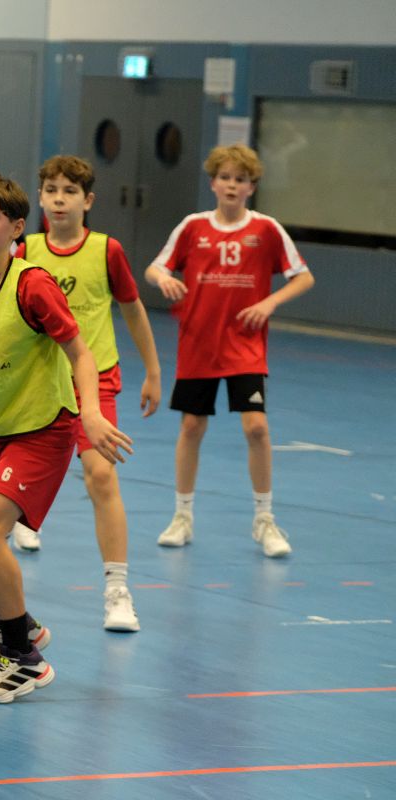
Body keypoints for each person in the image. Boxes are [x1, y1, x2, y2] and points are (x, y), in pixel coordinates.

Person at [0, 174, 132, 703]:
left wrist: (91, 414)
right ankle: (14, 625)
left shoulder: (32, 284)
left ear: (17, 228)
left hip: (44, 429)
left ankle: (24, 659)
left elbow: (81, 353)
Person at [13, 155, 162, 632]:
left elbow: (133, 310)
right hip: (37, 381)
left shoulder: (106, 250)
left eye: (70, 191)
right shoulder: (24, 250)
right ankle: (7, 582)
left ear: (88, 200)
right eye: (51, 190)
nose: (60, 199)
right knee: (13, 475)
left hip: (94, 381)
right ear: (40, 198)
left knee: (100, 475)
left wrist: (153, 370)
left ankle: (117, 590)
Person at [146, 144, 313, 558]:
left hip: (245, 345)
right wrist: (163, 279)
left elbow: (303, 276)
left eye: (241, 179)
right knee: (191, 427)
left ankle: (264, 519)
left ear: (251, 187)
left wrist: (269, 302)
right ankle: (182, 516)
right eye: (225, 178)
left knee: (256, 427)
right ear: (213, 183)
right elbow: (154, 267)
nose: (232, 185)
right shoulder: (192, 227)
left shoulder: (267, 229)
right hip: (198, 344)